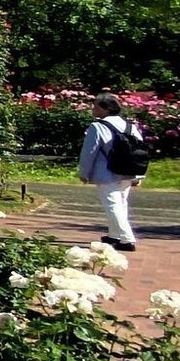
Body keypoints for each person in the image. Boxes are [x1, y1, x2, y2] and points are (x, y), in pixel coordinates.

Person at [77, 92, 143, 251]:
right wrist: (139, 174)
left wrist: (84, 173)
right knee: (121, 204)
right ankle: (114, 235)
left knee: (112, 205)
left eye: (95, 106)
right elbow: (139, 150)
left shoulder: (97, 126)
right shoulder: (130, 125)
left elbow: (89, 152)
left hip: (106, 173)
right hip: (128, 171)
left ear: (105, 108)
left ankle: (127, 239)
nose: (93, 109)